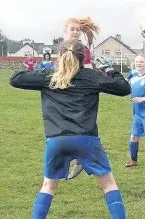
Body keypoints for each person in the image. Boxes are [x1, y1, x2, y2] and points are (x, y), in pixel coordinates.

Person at [9, 40, 130, 219]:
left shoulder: (49, 76)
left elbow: (15, 79)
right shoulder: (92, 76)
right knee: (108, 184)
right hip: (86, 140)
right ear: (83, 58)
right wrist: (109, 69)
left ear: (60, 56)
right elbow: (124, 88)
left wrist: (34, 69)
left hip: (57, 140)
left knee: (48, 186)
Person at [65, 16, 100, 180]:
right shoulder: (62, 48)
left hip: (79, 92)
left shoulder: (83, 50)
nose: (75, 32)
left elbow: (88, 69)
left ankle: (81, 159)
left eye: (77, 29)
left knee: (79, 125)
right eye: (72, 29)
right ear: (65, 30)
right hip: (63, 91)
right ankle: (79, 158)